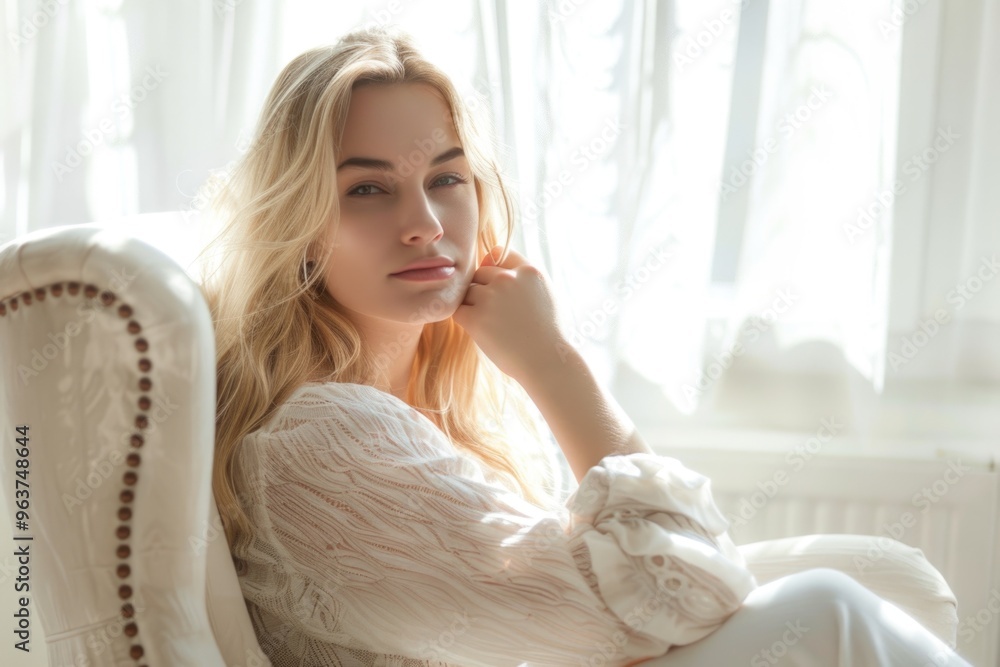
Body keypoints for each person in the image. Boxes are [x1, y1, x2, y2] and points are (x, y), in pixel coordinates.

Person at [195, 25, 972, 667]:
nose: (426, 224)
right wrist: (554, 365)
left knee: (857, 598)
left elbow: (679, 590)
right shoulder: (322, 441)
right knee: (825, 611)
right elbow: (675, 599)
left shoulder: (444, 411)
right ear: (300, 226)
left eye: (446, 178)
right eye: (367, 189)